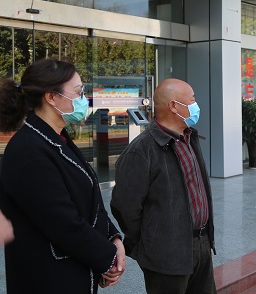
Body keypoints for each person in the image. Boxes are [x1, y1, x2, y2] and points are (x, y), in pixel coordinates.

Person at [0, 59, 126, 294]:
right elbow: (61, 222)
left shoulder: (58, 138)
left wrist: (113, 238)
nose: (83, 99)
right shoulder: (28, 149)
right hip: (48, 278)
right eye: (78, 92)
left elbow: (90, 201)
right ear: (51, 97)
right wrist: (107, 258)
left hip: (74, 272)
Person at [111, 78, 216, 294]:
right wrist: (152, 242)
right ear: (174, 106)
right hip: (166, 255)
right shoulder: (142, 151)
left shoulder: (189, 138)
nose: (196, 105)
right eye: (192, 100)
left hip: (201, 244)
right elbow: (125, 208)